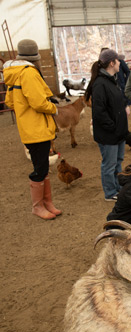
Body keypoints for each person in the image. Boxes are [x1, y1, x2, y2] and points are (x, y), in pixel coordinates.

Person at [3, 39, 61, 220]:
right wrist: (53, 108)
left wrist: (23, 109)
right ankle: (38, 206)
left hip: (29, 128)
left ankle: (46, 203)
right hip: (37, 128)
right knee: (40, 167)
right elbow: (38, 102)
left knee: (42, 165)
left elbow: (9, 101)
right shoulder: (29, 73)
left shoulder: (14, 73)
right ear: (35, 57)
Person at [85, 48, 128, 201]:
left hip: (117, 132)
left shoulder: (112, 80)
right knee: (109, 165)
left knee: (117, 162)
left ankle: (117, 187)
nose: (120, 63)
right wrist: (113, 127)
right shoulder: (100, 84)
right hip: (109, 134)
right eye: (118, 61)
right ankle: (110, 192)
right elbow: (99, 112)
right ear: (112, 63)